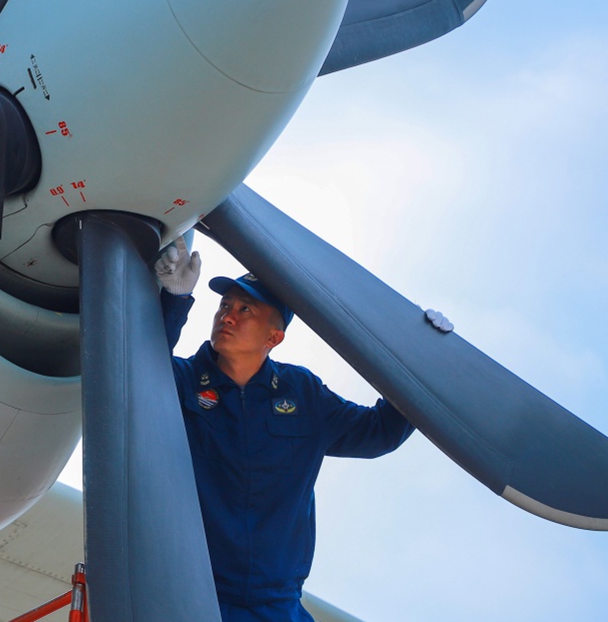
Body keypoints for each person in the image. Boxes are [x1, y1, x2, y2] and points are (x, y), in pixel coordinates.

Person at [155, 237, 414, 622]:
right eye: (225, 305)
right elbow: (135, 367)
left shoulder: (303, 394)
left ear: (273, 337)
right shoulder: (183, 380)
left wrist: (415, 363)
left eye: (246, 309)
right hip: (194, 591)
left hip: (276, 605)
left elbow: (380, 432)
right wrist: (172, 302)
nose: (228, 315)